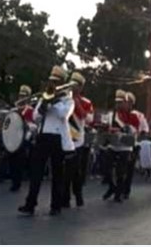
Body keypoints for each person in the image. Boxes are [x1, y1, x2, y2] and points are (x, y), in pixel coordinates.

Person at [18, 66, 74, 216]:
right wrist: (43, 105)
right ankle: (30, 204)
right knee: (36, 172)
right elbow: (35, 117)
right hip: (43, 136)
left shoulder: (68, 100)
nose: (53, 85)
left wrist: (53, 102)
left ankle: (56, 206)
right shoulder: (45, 97)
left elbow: (64, 115)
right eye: (51, 82)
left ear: (62, 83)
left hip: (58, 138)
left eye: (56, 82)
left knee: (57, 174)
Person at [62, 72, 93, 208]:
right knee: (65, 171)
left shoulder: (86, 102)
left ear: (81, 88)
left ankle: (78, 194)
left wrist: (76, 102)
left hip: (77, 140)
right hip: (63, 137)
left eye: (76, 85)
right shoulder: (63, 99)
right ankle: (65, 198)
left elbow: (89, 119)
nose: (73, 87)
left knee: (75, 170)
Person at [102, 90, 137, 202]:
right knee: (106, 168)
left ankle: (118, 193)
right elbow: (105, 127)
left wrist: (121, 129)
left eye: (121, 102)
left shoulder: (132, 115)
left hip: (125, 146)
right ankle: (112, 187)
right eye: (117, 102)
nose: (118, 104)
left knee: (121, 172)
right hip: (113, 145)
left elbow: (134, 130)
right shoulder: (111, 114)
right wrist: (107, 129)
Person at [8, 85, 35, 192]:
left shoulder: (30, 110)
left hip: (24, 138)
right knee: (12, 160)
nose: (21, 98)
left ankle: (18, 182)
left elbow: (34, 125)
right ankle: (14, 180)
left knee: (20, 161)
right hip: (13, 137)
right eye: (21, 95)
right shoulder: (13, 109)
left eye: (24, 96)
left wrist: (26, 125)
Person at [122, 92, 148, 199]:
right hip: (120, 144)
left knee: (128, 169)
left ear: (132, 103)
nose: (125, 104)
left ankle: (126, 190)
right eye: (124, 102)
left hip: (133, 145)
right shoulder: (119, 114)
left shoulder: (138, 115)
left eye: (128, 102)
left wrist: (136, 140)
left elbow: (145, 130)